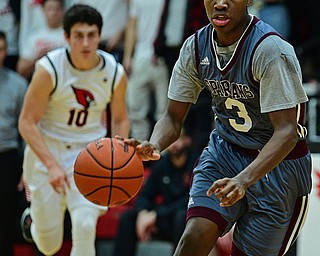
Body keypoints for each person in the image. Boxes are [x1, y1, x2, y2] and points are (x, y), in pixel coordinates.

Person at [122, 0, 312, 255]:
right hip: (226, 152)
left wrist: (243, 180)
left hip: (278, 167)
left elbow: (287, 132)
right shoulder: (196, 47)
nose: (220, 3)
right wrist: (155, 144)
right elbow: (172, 117)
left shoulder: (270, 49)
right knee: (193, 238)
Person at [18, 4, 130, 256]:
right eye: (79, 35)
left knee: (84, 225)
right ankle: (33, 222)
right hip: (47, 151)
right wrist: (51, 164)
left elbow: (121, 119)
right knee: (49, 246)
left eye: (92, 35)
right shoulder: (49, 69)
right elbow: (26, 122)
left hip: (88, 154)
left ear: (99, 36)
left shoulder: (114, 71)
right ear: (66, 37)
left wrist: (118, 152)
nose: (86, 43)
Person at [112, 131, 195, 256]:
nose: (173, 144)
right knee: (129, 217)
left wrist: (156, 215)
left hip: (184, 220)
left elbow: (189, 200)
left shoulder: (196, 163)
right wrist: (143, 213)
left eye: (177, 139)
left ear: (187, 140)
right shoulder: (162, 164)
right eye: (171, 140)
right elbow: (145, 195)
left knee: (182, 216)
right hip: (164, 220)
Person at [123, 0, 169, 141]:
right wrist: (127, 56)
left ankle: (162, 155)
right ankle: (138, 154)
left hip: (163, 59)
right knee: (135, 111)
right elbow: (132, 26)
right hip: (140, 58)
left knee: (165, 113)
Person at [0, 31, 28, 256]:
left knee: (5, 218)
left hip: (7, 158)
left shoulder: (18, 85)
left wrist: (26, 165)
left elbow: (28, 127)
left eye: (1, 49)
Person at [17, 0, 66, 81]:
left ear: (63, 10)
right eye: (50, 9)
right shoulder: (34, 38)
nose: (54, 13)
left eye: (57, 9)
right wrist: (38, 58)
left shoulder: (70, 35)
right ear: (43, 10)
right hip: (41, 82)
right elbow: (21, 71)